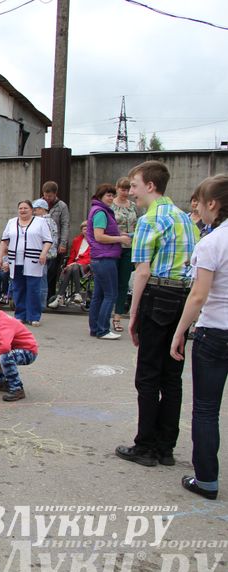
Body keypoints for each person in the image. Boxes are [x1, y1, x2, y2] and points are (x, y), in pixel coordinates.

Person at [116, 160, 198, 468]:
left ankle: (145, 446)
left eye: (135, 185)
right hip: (183, 298)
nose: (132, 191)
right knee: (171, 375)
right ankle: (166, 447)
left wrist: (133, 312)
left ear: (150, 186)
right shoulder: (186, 219)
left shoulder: (149, 220)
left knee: (148, 375)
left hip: (157, 295)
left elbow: (142, 271)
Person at [169, 174, 228, 500]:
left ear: (213, 205)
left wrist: (180, 332)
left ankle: (206, 479)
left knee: (206, 409)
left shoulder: (212, 242)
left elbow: (198, 296)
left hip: (215, 331)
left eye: (201, 203)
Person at [0, 200, 53, 327]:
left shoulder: (40, 222)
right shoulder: (11, 222)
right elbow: (4, 241)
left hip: (33, 260)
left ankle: (34, 316)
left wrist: (43, 254)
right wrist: (0, 258)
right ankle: (20, 315)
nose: (23, 210)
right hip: (15, 261)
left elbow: (48, 240)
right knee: (18, 288)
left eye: (26, 208)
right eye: (20, 208)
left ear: (32, 210)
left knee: (33, 289)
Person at [86, 184, 132, 340]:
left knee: (98, 295)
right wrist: (120, 238)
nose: (111, 198)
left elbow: (102, 233)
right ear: (100, 196)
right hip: (105, 257)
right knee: (110, 294)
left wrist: (120, 233)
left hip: (100, 257)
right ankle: (103, 329)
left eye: (113, 195)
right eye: (108, 195)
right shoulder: (101, 212)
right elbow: (99, 236)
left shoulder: (99, 210)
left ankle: (95, 328)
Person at [112, 177, 138, 332]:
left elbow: (138, 223)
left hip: (129, 246)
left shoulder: (133, 206)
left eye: (127, 189)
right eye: (122, 189)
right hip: (114, 246)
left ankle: (117, 316)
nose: (125, 192)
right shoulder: (111, 206)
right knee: (111, 282)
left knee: (123, 282)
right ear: (117, 188)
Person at [48, 221, 91, 308]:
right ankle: (74, 295)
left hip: (86, 265)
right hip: (75, 266)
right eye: (84, 229)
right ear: (81, 230)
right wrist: (69, 264)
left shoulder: (94, 242)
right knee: (71, 268)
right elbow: (72, 256)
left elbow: (91, 257)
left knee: (74, 266)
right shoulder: (77, 240)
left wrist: (76, 263)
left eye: (88, 229)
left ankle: (59, 298)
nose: (86, 231)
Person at [43, 181, 70, 303]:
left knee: (52, 271)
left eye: (50, 196)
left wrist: (63, 243)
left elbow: (65, 225)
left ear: (55, 194)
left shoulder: (62, 206)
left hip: (55, 243)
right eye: (45, 196)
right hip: (42, 243)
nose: (47, 198)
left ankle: (50, 296)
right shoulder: (40, 204)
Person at [32, 200, 58, 309]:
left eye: (36, 209)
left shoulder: (45, 221)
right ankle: (39, 303)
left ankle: (41, 304)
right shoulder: (49, 221)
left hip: (43, 254)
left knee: (41, 278)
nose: (34, 212)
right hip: (45, 254)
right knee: (41, 278)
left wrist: (44, 253)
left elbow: (49, 240)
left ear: (43, 209)